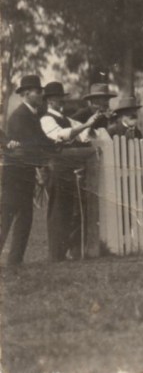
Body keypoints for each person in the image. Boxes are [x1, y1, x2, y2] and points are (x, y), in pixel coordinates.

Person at [1, 75, 55, 266]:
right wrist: (54, 147)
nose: (42, 95)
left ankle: (15, 261)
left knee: (23, 217)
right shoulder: (20, 116)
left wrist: (60, 143)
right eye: (38, 91)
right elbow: (35, 143)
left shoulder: (30, 114)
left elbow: (41, 140)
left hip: (23, 172)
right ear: (26, 94)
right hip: (15, 173)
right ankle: (14, 261)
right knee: (8, 216)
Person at [39, 82, 95, 262]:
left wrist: (91, 124)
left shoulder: (66, 118)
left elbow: (83, 134)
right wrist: (85, 125)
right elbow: (61, 135)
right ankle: (56, 255)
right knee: (58, 209)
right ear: (48, 100)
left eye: (61, 97)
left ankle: (68, 251)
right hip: (55, 167)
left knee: (70, 210)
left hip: (68, 167)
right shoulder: (46, 119)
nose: (59, 100)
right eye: (55, 98)